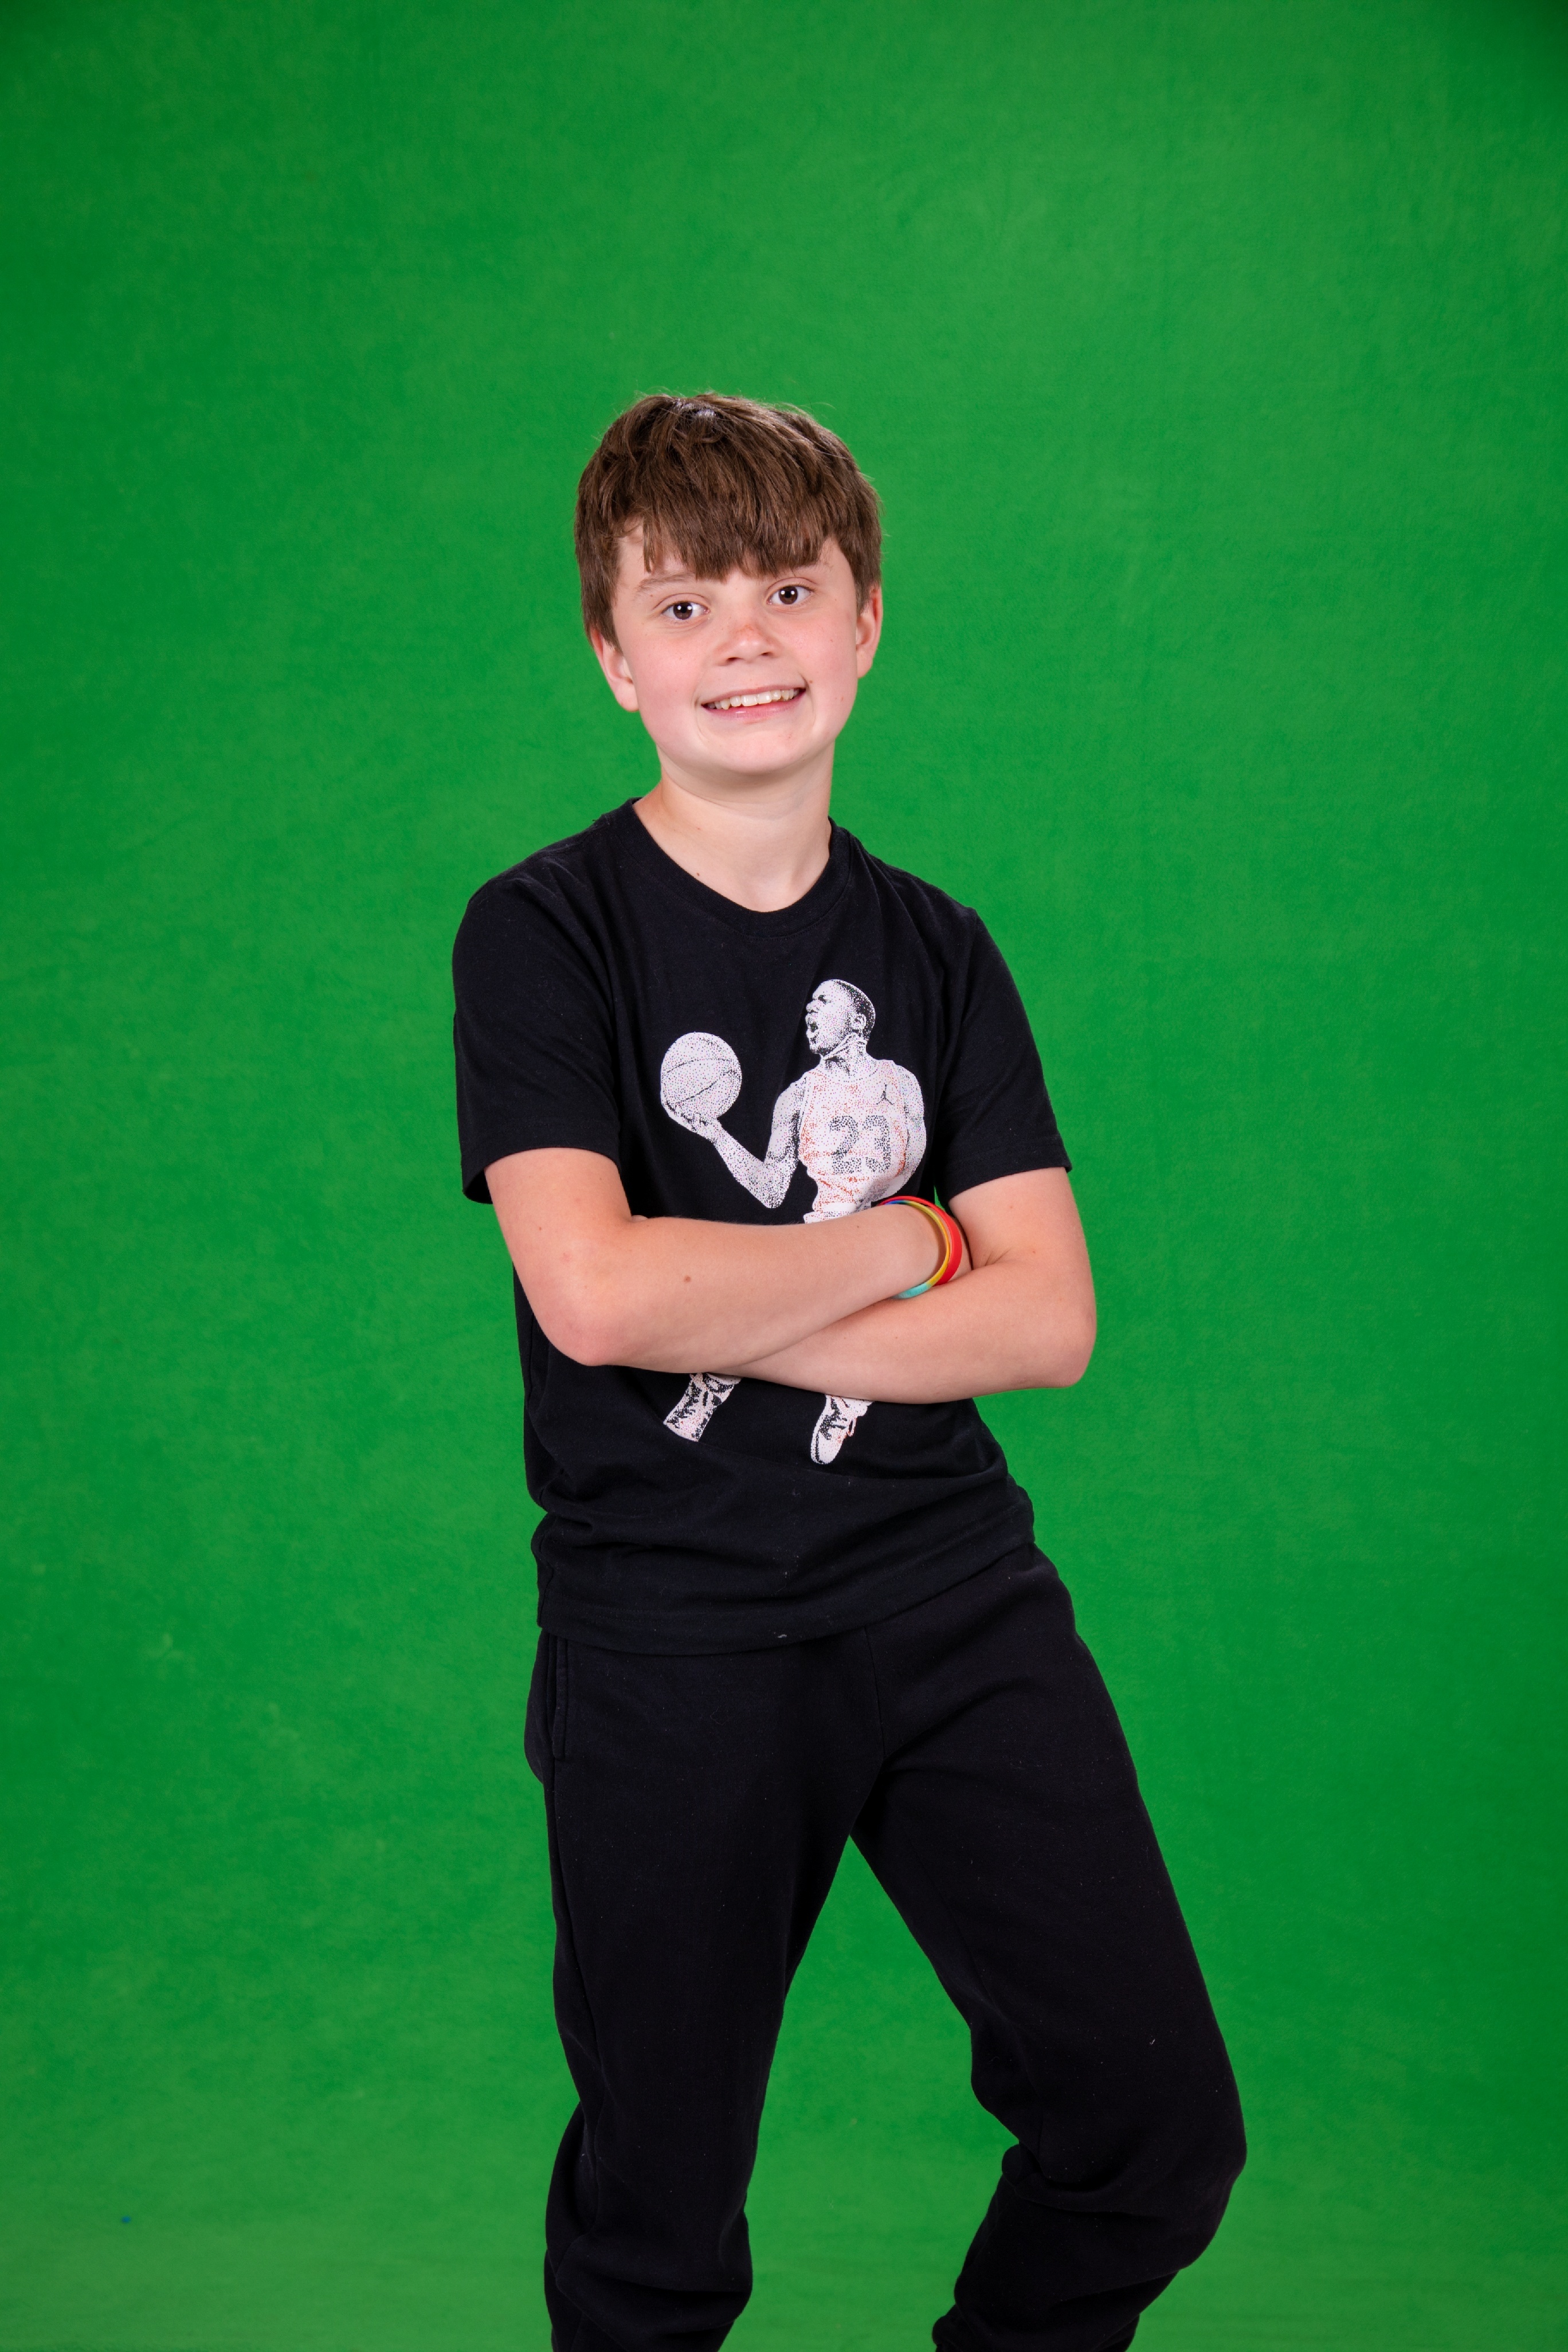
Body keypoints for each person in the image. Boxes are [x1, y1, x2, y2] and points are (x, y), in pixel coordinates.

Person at [452, 393, 1244, 2352]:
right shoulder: (543, 934)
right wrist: (915, 1239)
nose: (747, 638)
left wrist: (721, 1294)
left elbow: (1050, 1325)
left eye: (790, 590)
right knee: (659, 2223)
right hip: (673, 1639)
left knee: (1152, 2131)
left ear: (866, 622)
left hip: (956, 1605)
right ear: (614, 656)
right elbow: (597, 1299)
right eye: (687, 603)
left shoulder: (940, 952)